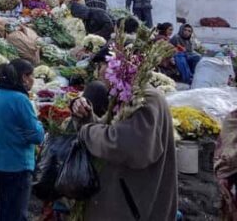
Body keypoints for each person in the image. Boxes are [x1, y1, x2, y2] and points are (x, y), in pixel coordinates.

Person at [70, 54, 177, 221]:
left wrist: (87, 131)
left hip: (133, 205)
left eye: (102, 66)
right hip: (121, 199)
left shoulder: (146, 99)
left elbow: (126, 146)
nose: (99, 73)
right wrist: (85, 116)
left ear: (119, 67)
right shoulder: (127, 95)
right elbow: (109, 129)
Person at [0, 59, 45, 221]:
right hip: (17, 163)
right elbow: (37, 136)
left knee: (5, 209)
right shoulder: (20, 99)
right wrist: (40, 124)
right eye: (31, 75)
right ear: (23, 77)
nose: (33, 79)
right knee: (17, 213)